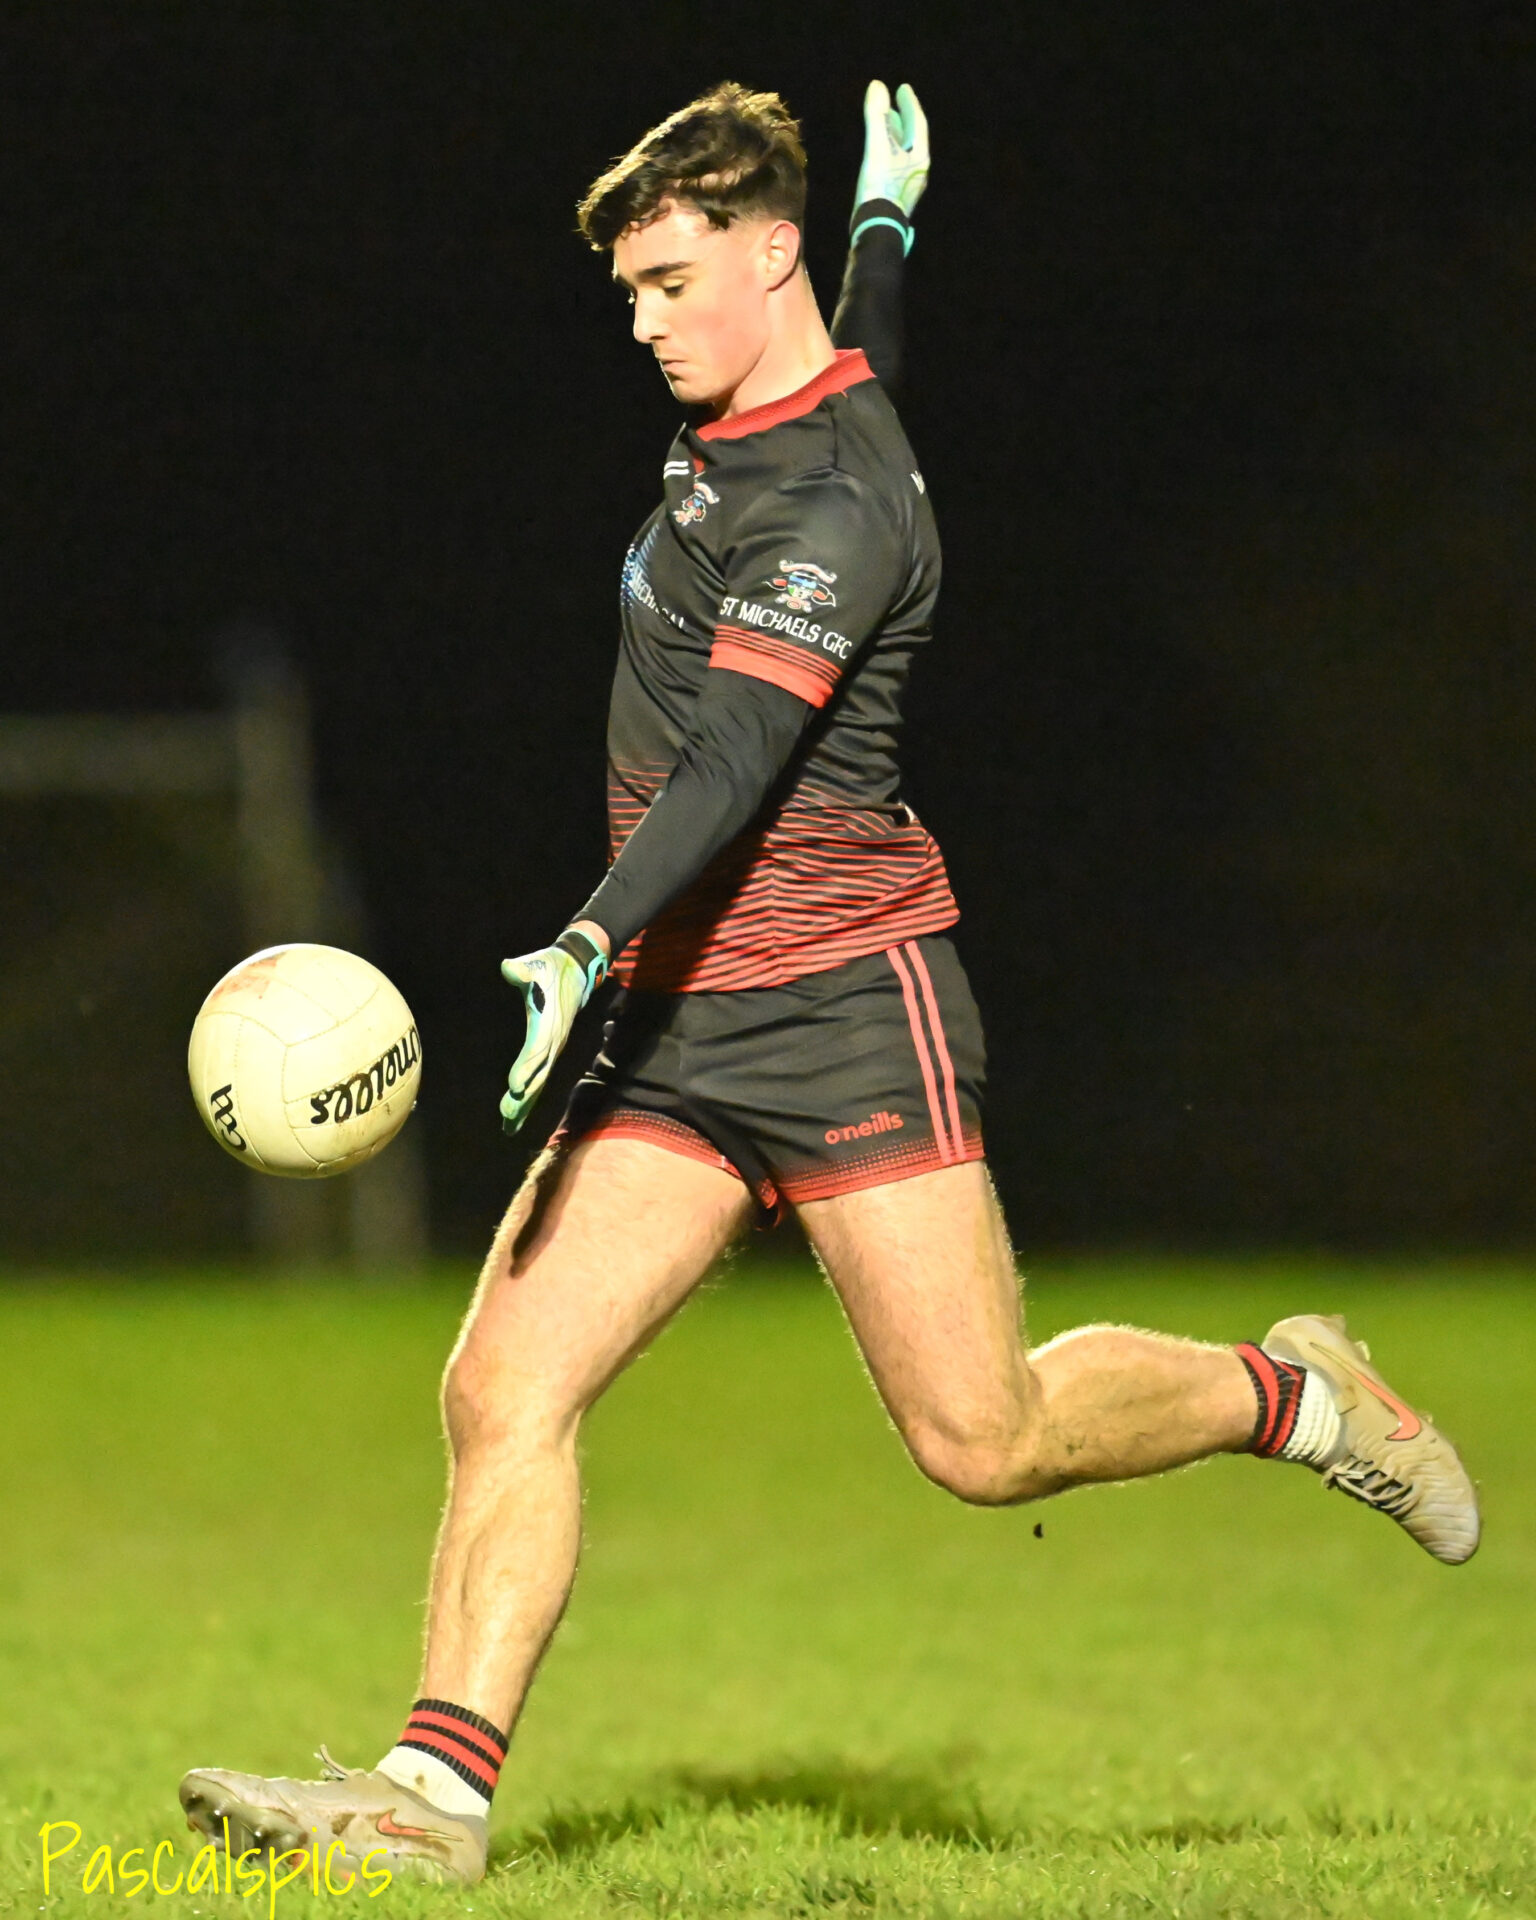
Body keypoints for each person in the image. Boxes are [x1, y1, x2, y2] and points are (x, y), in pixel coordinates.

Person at [178, 80, 1479, 1889]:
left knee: (986, 1441)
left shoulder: (840, 507)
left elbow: (732, 758)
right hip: (680, 1029)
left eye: (669, 282)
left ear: (761, 256)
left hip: (843, 1011)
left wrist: (583, 938)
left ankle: (1299, 1396)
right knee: (504, 1389)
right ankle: (433, 1803)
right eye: (630, 292)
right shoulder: (791, 394)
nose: (644, 324)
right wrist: (889, 224)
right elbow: (860, 346)